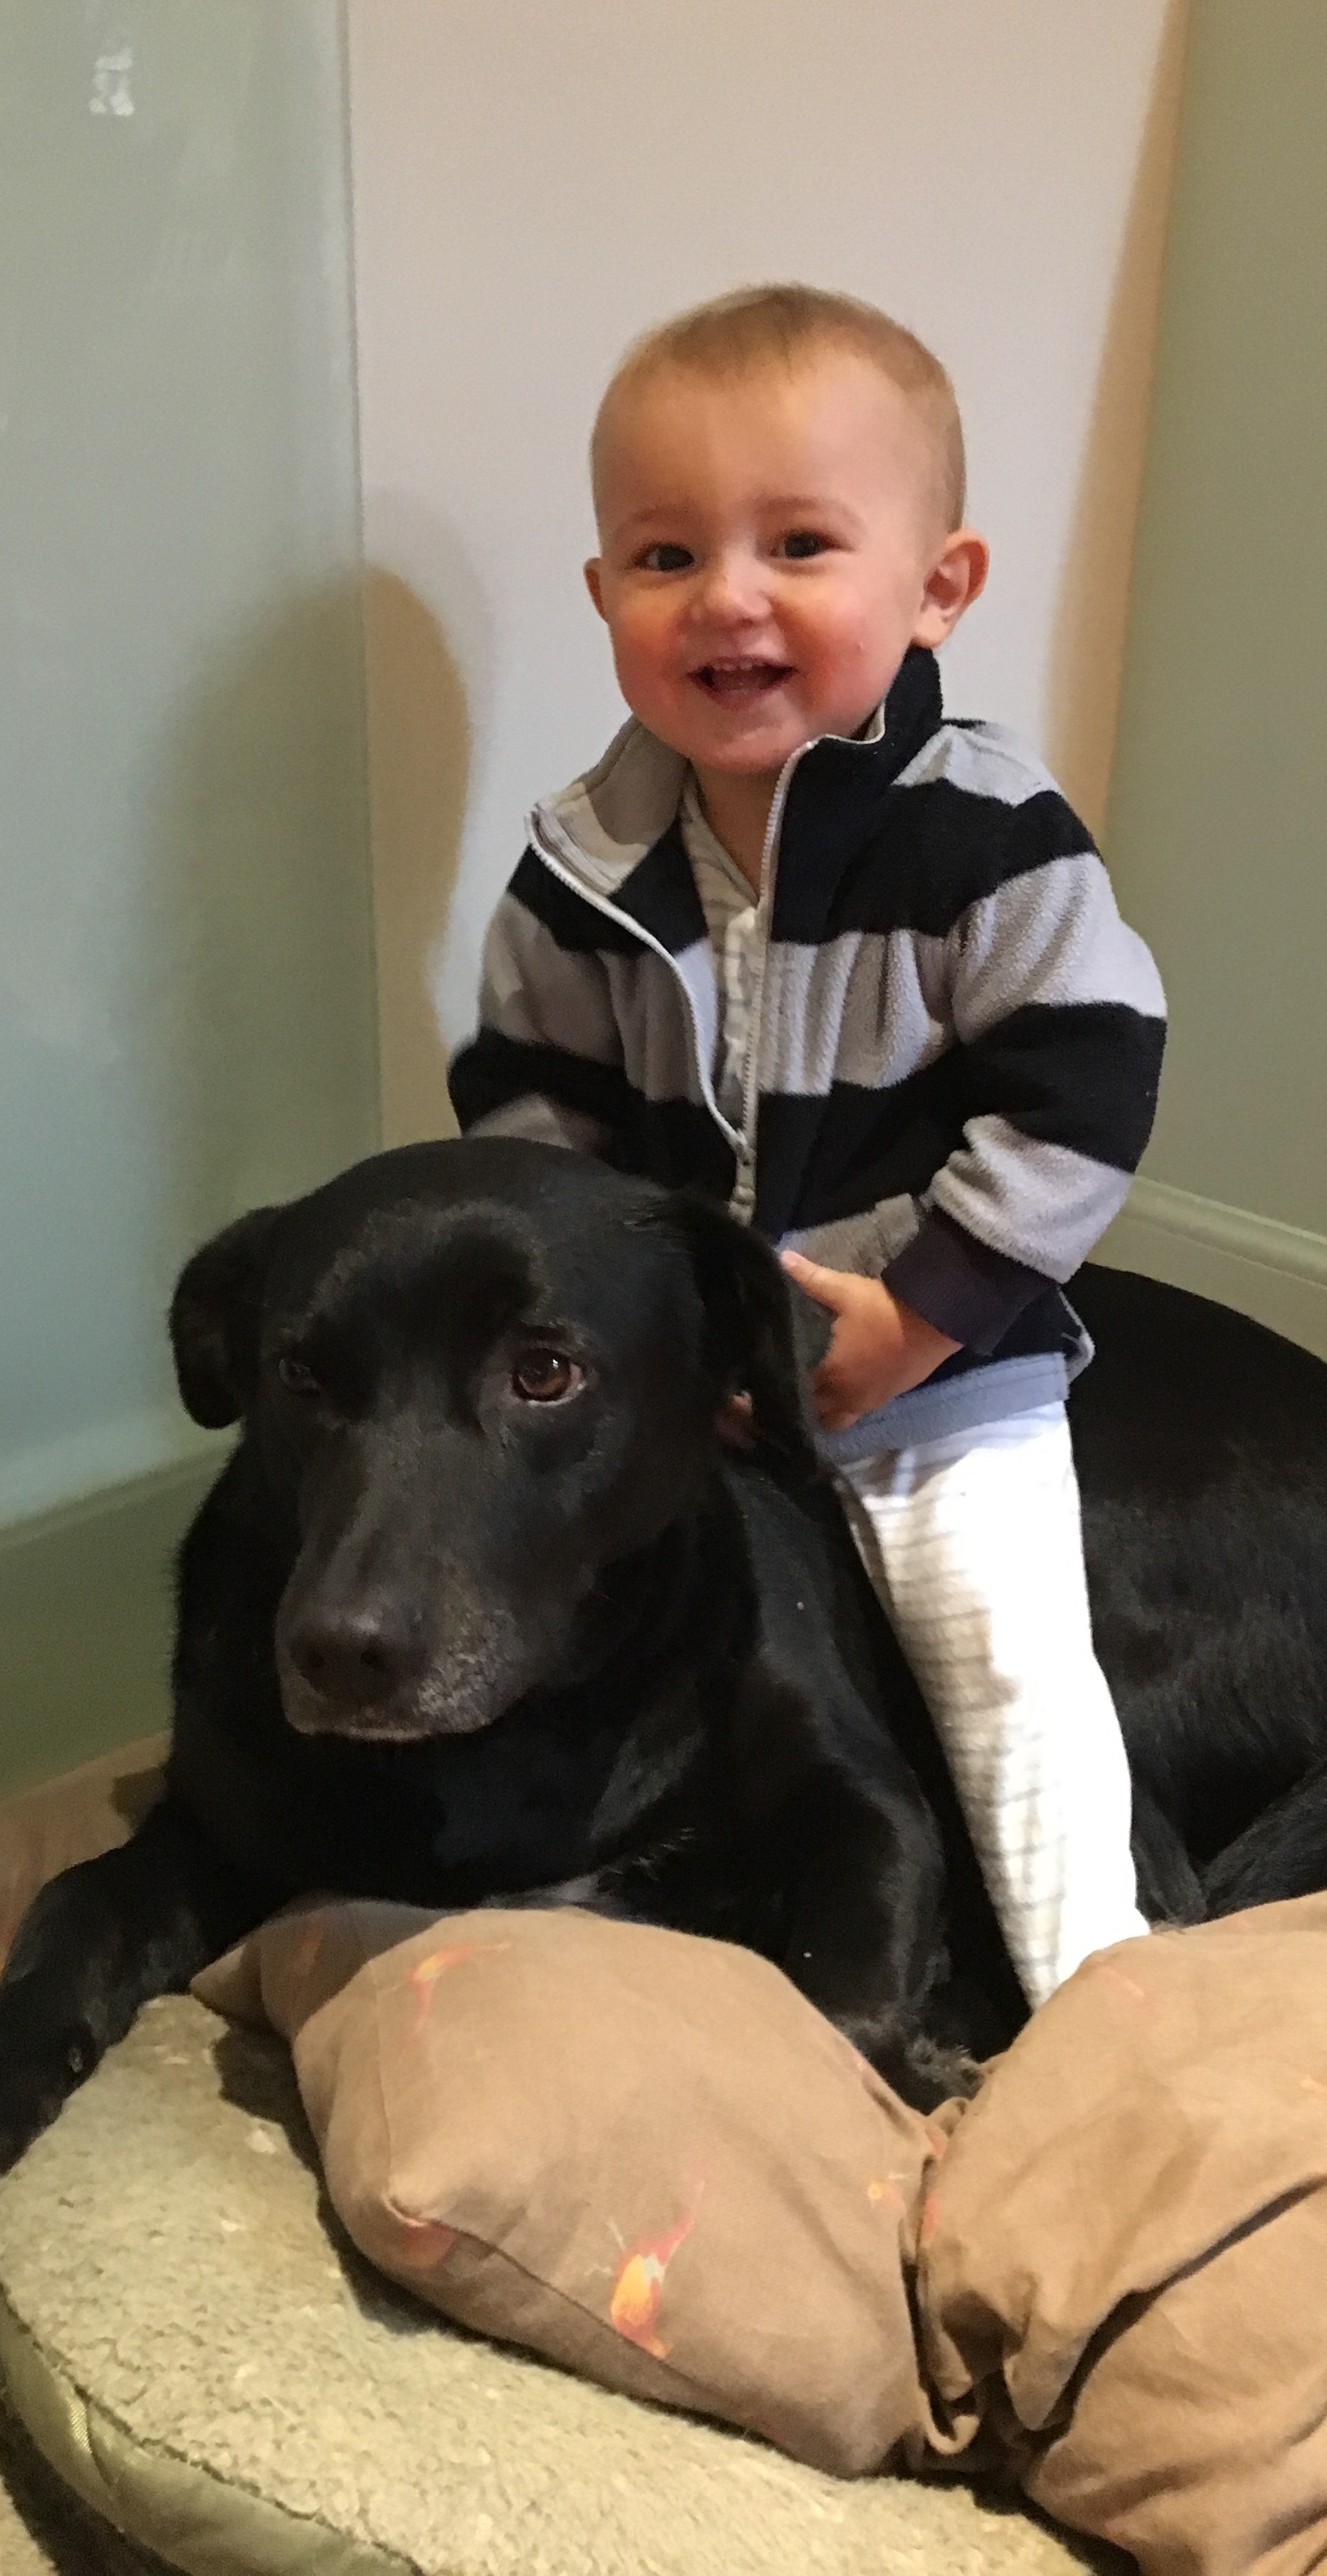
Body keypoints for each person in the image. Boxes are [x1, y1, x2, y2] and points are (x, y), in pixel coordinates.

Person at [447, 284, 1166, 2007]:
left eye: (799, 544)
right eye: (667, 554)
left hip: (940, 1379)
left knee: (1006, 1670)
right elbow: (529, 1113)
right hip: (687, 1390)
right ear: (606, 597)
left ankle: (1100, 1997)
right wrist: (626, 1345)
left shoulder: (986, 839)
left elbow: (1088, 1082)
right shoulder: (582, 864)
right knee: (606, 1631)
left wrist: (924, 1312)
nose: (729, 596)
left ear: (938, 589)